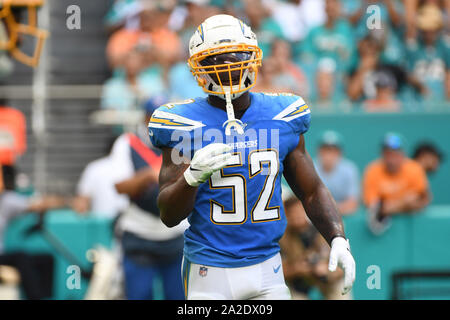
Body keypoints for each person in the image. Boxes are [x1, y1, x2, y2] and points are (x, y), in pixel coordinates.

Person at [148, 14, 355, 300]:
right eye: (215, 59)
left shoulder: (282, 114)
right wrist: (192, 177)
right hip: (209, 270)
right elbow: (169, 215)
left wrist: (337, 237)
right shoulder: (182, 123)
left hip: (268, 267)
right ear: (198, 68)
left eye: (235, 56)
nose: (227, 66)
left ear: (253, 58)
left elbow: (311, 190)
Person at [114, 100, 186, 300]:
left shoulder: (183, 142)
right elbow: (119, 186)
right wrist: (147, 176)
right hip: (140, 232)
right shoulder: (129, 142)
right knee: (138, 294)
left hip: (175, 234)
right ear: (146, 118)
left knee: (179, 297)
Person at [0, 165, 66, 299]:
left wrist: (67, 201)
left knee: (47, 259)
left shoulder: (6, 200)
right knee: (21, 257)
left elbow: (38, 204)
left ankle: (45, 297)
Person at [280, 194, 351, 300]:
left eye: (299, 211)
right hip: (297, 282)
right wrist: (297, 269)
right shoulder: (282, 237)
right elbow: (276, 272)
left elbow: (342, 267)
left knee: (340, 291)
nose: (297, 216)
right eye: (292, 213)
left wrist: (326, 270)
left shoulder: (323, 228)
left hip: (325, 279)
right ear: (286, 215)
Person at [363, 133, 430, 234]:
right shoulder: (373, 170)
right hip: (383, 230)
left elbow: (424, 200)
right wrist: (405, 203)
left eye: (395, 154)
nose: (391, 159)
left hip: (416, 229)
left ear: (403, 154)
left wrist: (392, 206)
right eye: (388, 154)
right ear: (382, 154)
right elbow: (375, 207)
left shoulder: (415, 169)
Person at [72, 137, 130, 219]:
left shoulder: (94, 168)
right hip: (128, 225)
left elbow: (81, 205)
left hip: (101, 225)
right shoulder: (135, 168)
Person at [314, 131, 360, 216]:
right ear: (319, 151)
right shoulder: (311, 168)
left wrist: (329, 211)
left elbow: (352, 204)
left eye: (333, 150)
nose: (329, 154)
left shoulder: (349, 169)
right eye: (325, 149)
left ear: (340, 153)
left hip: (343, 216)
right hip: (315, 217)